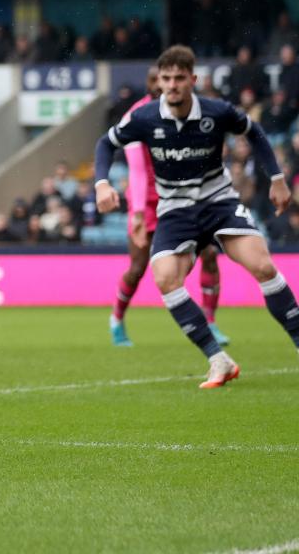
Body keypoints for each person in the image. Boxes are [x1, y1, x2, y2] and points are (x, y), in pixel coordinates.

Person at [95, 45, 299, 389]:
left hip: (218, 202)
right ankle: (218, 360)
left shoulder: (217, 111)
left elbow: (255, 132)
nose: (172, 85)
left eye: (179, 78)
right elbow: (105, 143)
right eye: (166, 79)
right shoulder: (145, 117)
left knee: (262, 266)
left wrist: (277, 179)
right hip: (175, 210)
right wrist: (102, 183)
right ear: (159, 81)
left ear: (193, 79)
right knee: (165, 278)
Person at [108, 67, 228, 348]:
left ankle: (210, 321)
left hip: (184, 196)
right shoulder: (136, 117)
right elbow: (138, 171)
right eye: (156, 81)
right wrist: (139, 214)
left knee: (210, 253)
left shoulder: (188, 110)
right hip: (148, 201)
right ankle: (117, 319)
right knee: (138, 267)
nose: (162, 86)